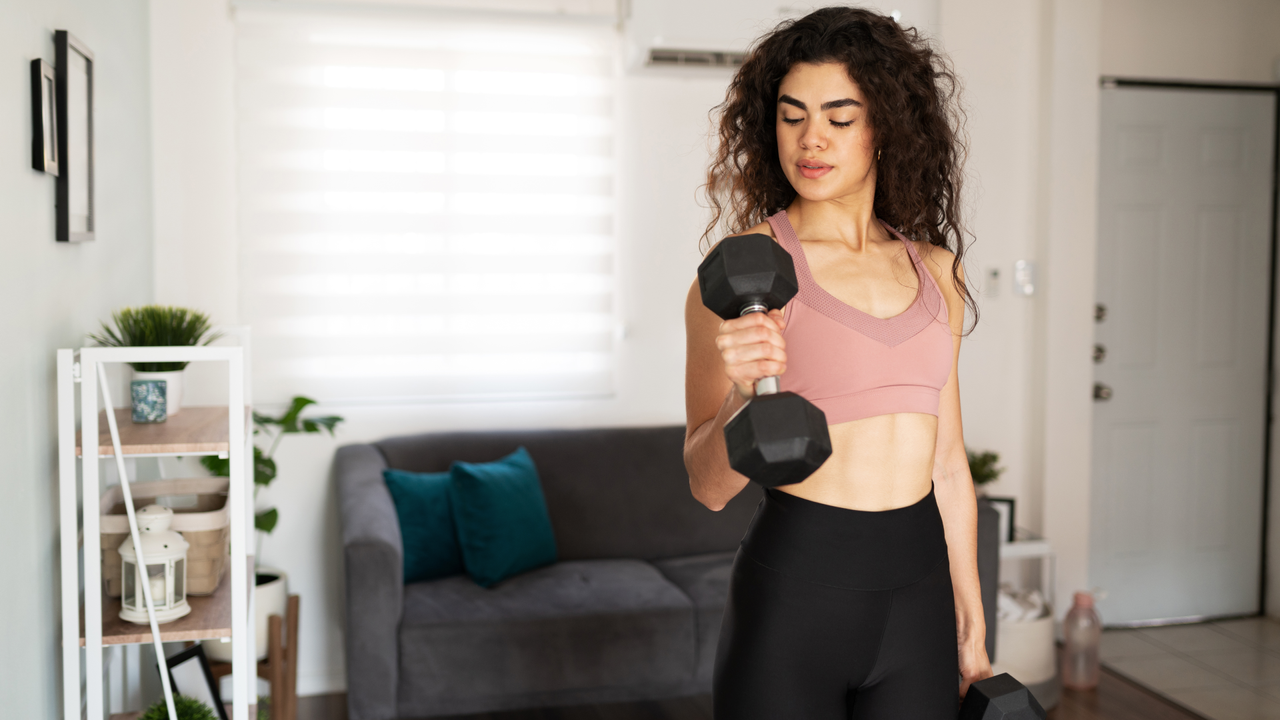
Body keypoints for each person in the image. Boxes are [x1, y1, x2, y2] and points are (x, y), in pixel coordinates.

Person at [683, 7, 991, 719]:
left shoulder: (937, 272)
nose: (810, 138)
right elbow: (707, 486)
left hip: (918, 602)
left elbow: (946, 464)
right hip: (796, 597)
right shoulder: (743, 275)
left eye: (839, 117)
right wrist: (739, 400)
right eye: (792, 116)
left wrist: (970, 615)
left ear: (887, 123)